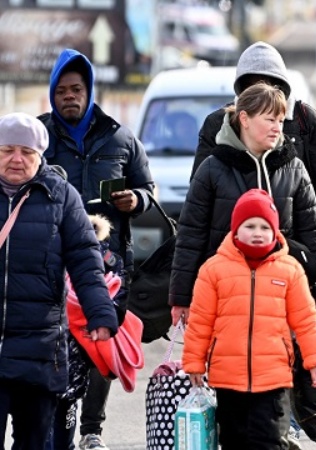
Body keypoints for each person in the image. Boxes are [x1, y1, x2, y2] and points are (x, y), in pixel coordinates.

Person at [38, 48, 155, 450]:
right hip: (52, 260)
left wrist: (135, 200)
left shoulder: (120, 136)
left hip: (108, 262)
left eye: (77, 90)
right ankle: (56, 425)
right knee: (60, 344)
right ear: (52, 95)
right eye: (62, 92)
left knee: (101, 340)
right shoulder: (40, 138)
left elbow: (148, 189)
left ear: (89, 92)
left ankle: (92, 430)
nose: (69, 97)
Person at [170, 82, 316, 340]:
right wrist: (181, 298)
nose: (278, 127)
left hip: (280, 299)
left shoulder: (294, 168)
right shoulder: (212, 168)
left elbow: (313, 235)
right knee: (226, 371)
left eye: (280, 120)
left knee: (276, 371)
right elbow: (190, 236)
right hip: (224, 298)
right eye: (269, 119)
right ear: (244, 118)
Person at [0, 112, 118, 450]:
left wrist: (100, 314)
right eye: (8, 150)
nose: (17, 159)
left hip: (40, 346)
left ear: (41, 156)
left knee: (36, 442)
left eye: (27, 152)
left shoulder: (61, 196)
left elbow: (85, 260)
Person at [182, 188, 316, 450]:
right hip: (227, 378)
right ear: (235, 230)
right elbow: (200, 321)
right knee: (234, 441)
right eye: (250, 226)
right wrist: (194, 362)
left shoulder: (290, 269)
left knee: (271, 441)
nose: (258, 233)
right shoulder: (214, 269)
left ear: (276, 232)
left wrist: (315, 359)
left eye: (265, 227)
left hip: (273, 377)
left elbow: (305, 320)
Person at [190, 40, 316, 288]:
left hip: (290, 259)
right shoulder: (218, 123)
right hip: (227, 260)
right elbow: (198, 200)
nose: (262, 92)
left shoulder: (304, 120)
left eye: (270, 84)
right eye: (253, 85)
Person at [47, 215, 127, 450]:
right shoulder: (56, 251)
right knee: (60, 404)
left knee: (65, 404)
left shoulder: (103, 258)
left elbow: (116, 289)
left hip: (75, 343)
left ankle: (68, 441)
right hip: (67, 341)